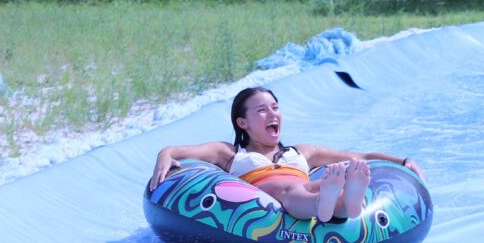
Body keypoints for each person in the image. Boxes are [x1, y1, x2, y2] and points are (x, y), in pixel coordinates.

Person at [149, 87, 424, 222]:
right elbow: (178, 150)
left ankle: (347, 202)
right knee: (291, 192)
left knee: (314, 185)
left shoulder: (302, 152)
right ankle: (329, 202)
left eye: (275, 107)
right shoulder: (230, 153)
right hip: (273, 196)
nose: (272, 114)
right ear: (242, 123)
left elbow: (360, 155)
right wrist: (164, 156)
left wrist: (401, 161)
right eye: (262, 110)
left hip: (305, 186)